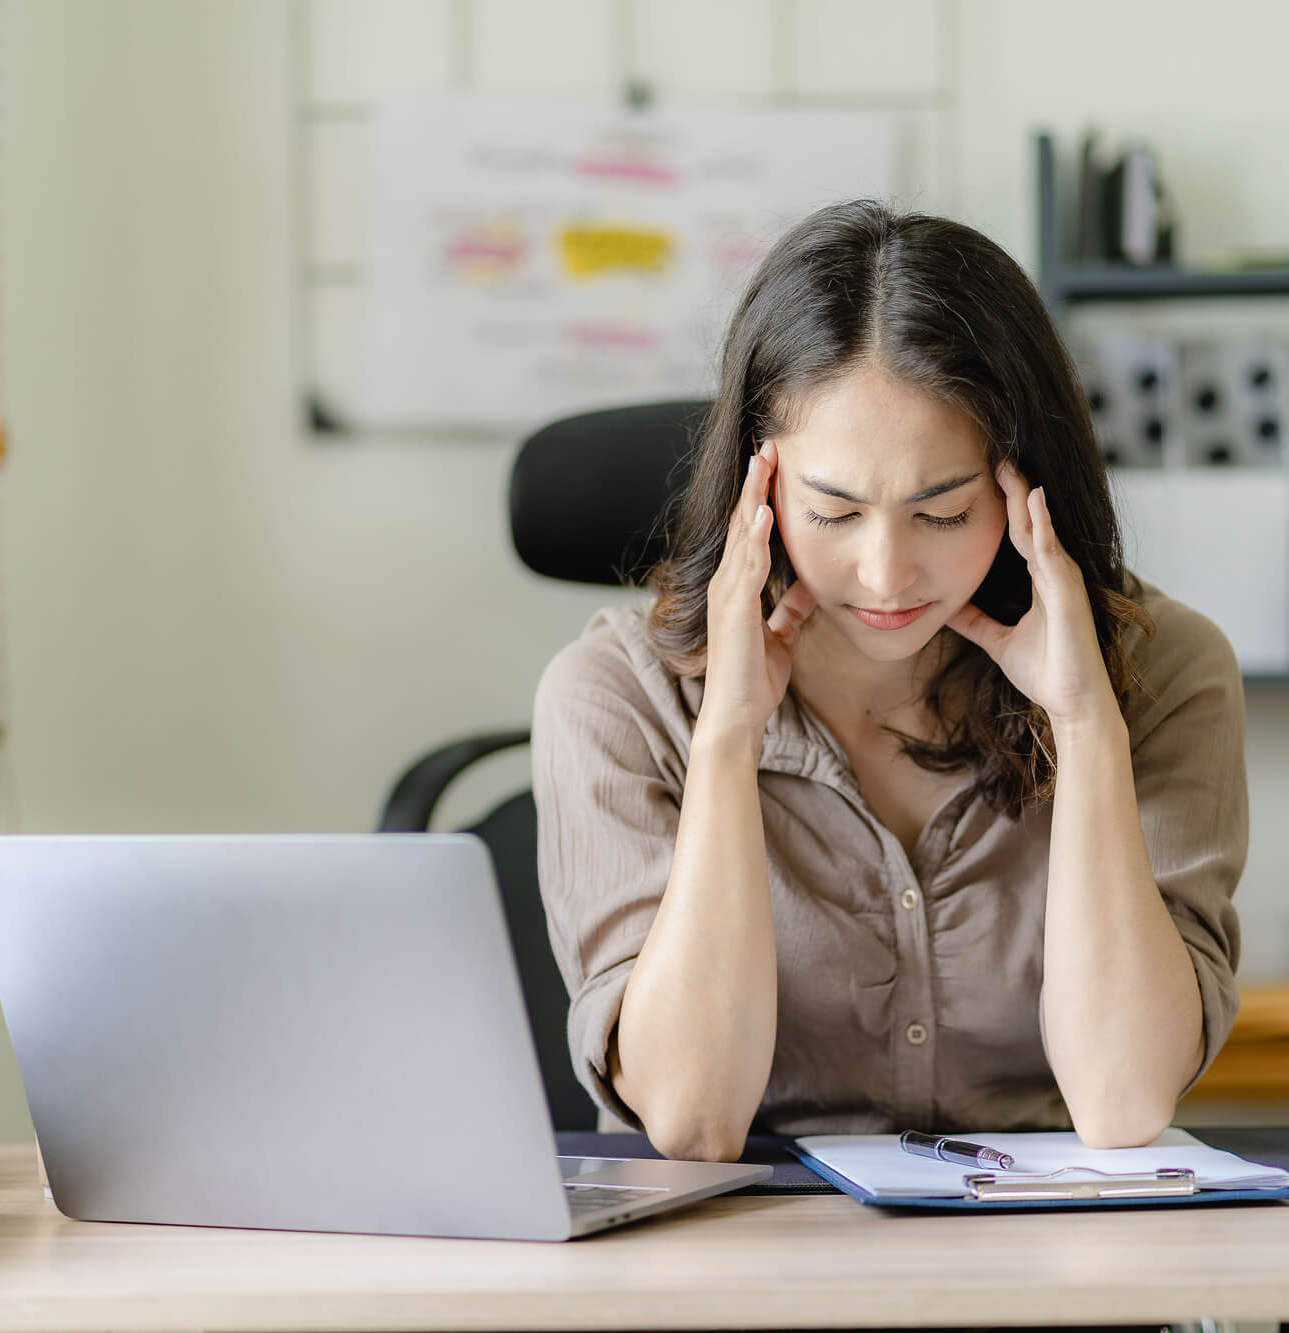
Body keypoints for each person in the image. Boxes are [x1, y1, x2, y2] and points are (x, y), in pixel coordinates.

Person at [529, 200, 1248, 1164]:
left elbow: (1122, 1102)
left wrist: (1084, 725)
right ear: (759, 486)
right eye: (833, 512)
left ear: (1029, 488)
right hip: (738, 1287)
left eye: (943, 513)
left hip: (1045, 1283)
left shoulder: (1167, 674)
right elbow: (692, 1117)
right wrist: (729, 737)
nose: (886, 573)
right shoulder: (613, 697)